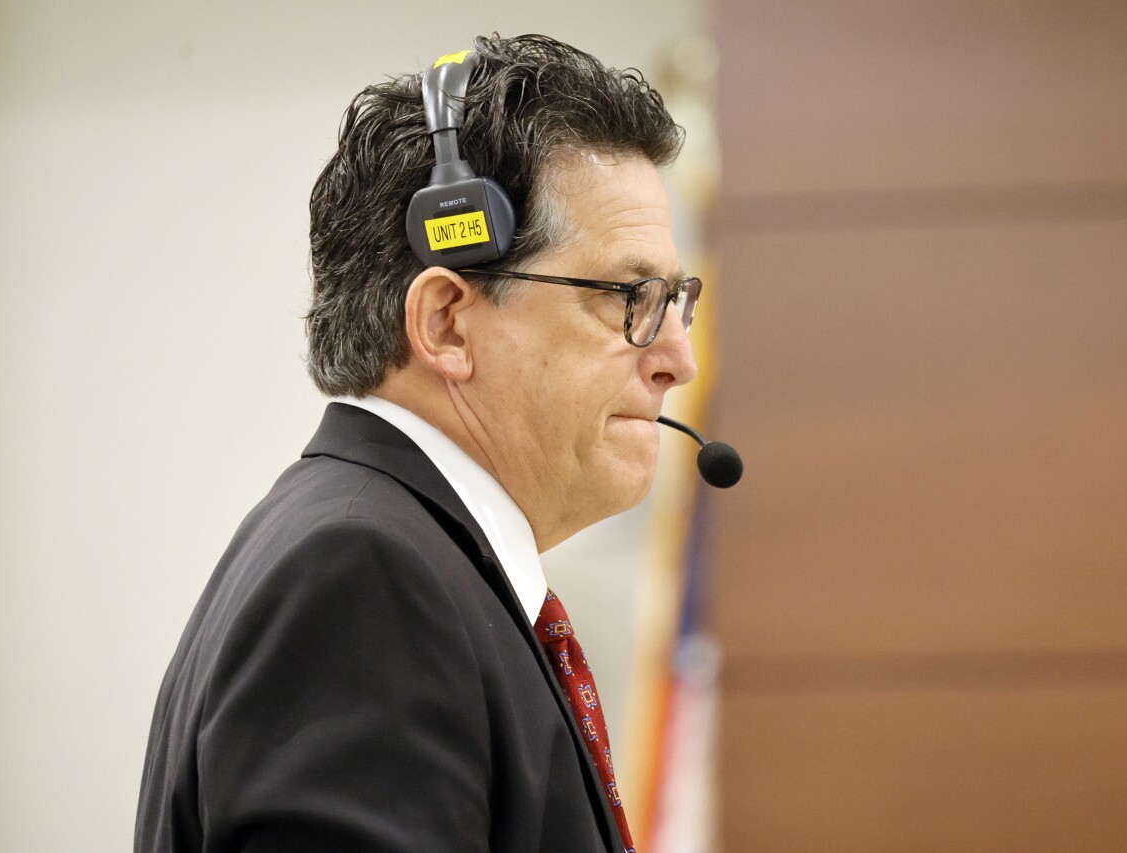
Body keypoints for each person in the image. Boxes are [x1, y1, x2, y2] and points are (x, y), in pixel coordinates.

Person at [135, 33, 702, 853]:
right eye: (628, 297)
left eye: (675, 298)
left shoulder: (405, 562)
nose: (677, 357)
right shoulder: (365, 578)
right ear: (446, 323)